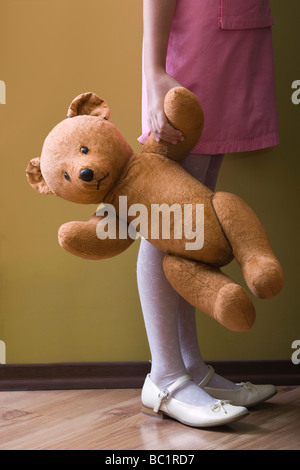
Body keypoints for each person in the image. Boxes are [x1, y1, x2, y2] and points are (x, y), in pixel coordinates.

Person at [136, 0, 279, 427]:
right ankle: (164, 376)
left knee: (193, 218)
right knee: (168, 215)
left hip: (235, 39)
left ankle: (190, 367)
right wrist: (153, 71)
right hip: (198, 43)